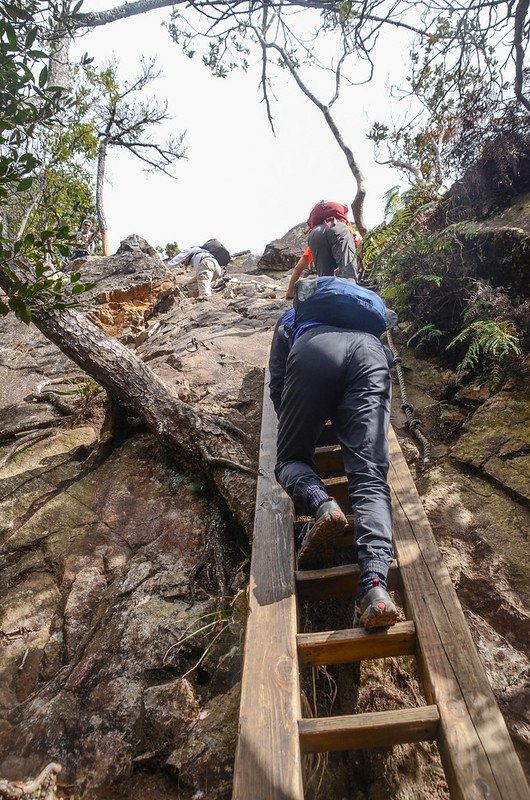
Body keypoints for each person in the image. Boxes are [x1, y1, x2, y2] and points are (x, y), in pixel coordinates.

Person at [269, 283, 398, 630]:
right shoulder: (366, 322)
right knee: (370, 477)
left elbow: (278, 384)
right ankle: (375, 589)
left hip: (314, 350)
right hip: (370, 356)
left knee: (288, 462)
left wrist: (300, 423)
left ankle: (321, 503)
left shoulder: (291, 316)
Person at [285, 202, 361, 299]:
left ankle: (327, 304)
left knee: (325, 280)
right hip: (338, 230)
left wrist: (289, 293)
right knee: (348, 275)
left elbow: (298, 268)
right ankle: (351, 304)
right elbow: (364, 251)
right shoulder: (350, 230)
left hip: (315, 235)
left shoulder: (318, 230)